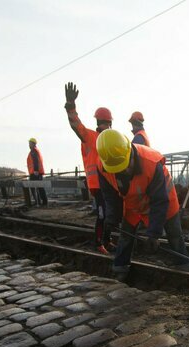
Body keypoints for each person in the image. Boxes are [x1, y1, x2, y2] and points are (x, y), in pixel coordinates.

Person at [96, 129, 189, 281]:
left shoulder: (151, 163)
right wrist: (111, 220)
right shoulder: (103, 166)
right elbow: (111, 197)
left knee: (174, 235)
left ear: (129, 154)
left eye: (124, 167)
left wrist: (153, 234)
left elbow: (159, 201)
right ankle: (120, 268)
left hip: (164, 200)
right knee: (126, 236)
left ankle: (184, 266)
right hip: (133, 203)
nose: (121, 172)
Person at [64, 81, 113, 254]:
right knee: (102, 214)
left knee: (109, 214)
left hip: (108, 183)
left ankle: (107, 240)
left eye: (108, 123)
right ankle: (99, 242)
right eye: (104, 123)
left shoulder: (110, 139)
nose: (106, 126)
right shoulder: (90, 137)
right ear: (99, 123)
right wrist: (71, 106)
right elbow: (76, 126)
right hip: (97, 184)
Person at [27, 137, 47, 206]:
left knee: (33, 187)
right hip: (37, 172)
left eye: (30, 143)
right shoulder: (36, 150)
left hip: (35, 172)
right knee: (40, 187)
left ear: (33, 144)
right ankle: (43, 202)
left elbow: (35, 161)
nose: (29, 144)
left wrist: (35, 170)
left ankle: (38, 202)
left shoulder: (34, 151)